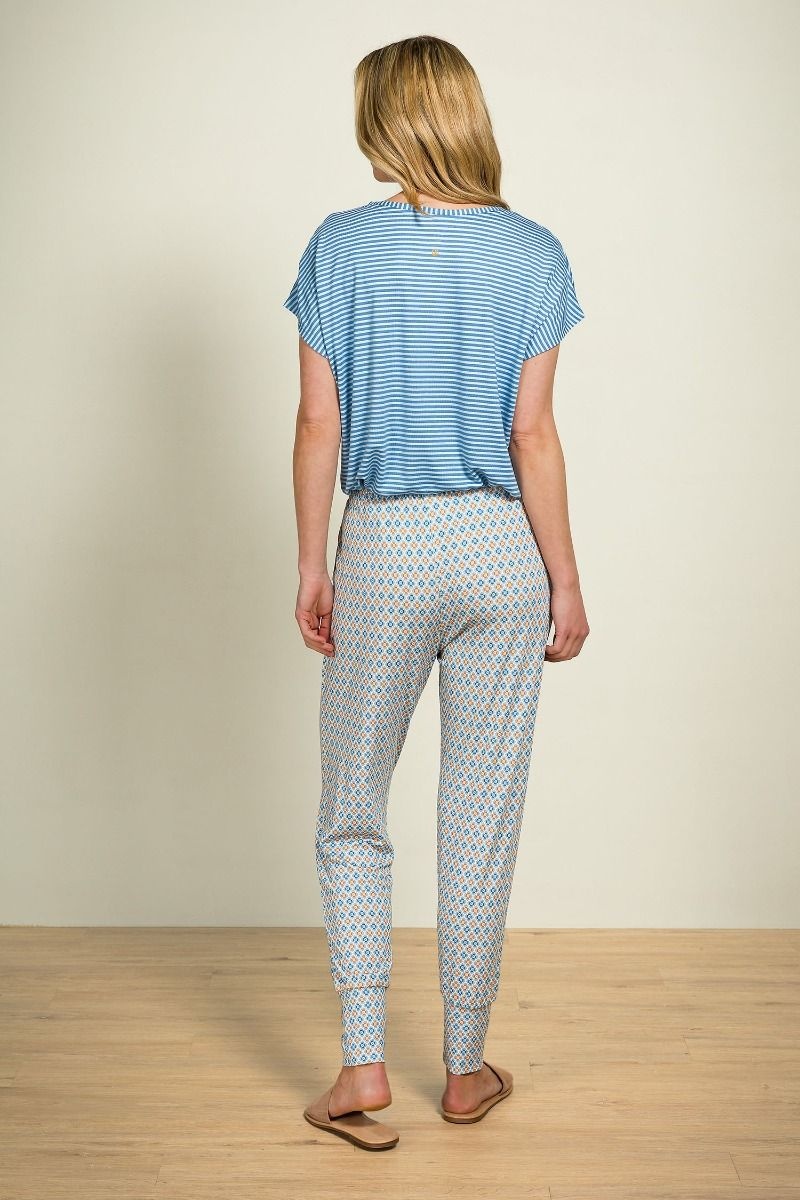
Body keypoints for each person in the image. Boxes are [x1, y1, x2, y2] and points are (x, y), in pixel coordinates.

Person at [284, 34, 590, 1151]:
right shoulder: (534, 251)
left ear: (390, 119)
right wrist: (564, 579)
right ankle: (464, 1071)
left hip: (387, 546)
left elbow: (318, 422)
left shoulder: (339, 247)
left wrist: (312, 563)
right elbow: (532, 435)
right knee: (480, 812)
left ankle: (364, 1066)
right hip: (501, 551)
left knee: (353, 808)